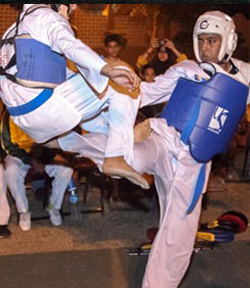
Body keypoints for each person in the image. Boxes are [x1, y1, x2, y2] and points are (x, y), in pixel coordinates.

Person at [58, 11, 250, 288]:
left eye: (212, 40)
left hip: (192, 165)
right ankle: (68, 139)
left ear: (229, 42)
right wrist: (111, 87)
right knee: (126, 155)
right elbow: (145, 93)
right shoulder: (185, 68)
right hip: (162, 138)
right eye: (202, 40)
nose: (206, 46)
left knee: (178, 239)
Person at [0, 4, 146, 189]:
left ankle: (113, 139)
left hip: (27, 122)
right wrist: (108, 70)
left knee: (91, 115)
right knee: (122, 76)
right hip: (44, 108)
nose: (75, 6)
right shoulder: (45, 16)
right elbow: (70, 44)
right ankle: (115, 155)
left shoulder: (13, 30)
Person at [1, 111, 73, 228]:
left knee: (66, 170)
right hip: (19, 154)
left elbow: (53, 138)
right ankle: (23, 211)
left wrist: (45, 158)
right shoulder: (10, 114)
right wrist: (32, 161)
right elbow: (7, 145)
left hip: (43, 153)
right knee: (11, 171)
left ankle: (54, 206)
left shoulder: (45, 110)